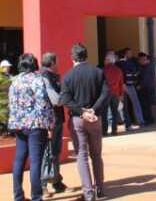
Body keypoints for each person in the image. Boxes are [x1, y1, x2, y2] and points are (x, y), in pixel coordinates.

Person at [61, 44, 109, 201]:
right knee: (96, 155)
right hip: (95, 118)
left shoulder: (68, 76)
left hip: (78, 119)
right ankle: (99, 189)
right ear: (86, 55)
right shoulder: (97, 72)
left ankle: (88, 193)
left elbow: (66, 99)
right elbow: (105, 93)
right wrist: (93, 110)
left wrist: (82, 112)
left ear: (72, 57)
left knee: (82, 155)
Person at [7, 54, 55, 201]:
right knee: (35, 161)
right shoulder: (37, 79)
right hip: (36, 125)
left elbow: (11, 104)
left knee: (19, 160)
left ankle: (18, 196)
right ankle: (36, 196)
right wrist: (50, 124)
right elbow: (43, 104)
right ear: (34, 64)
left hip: (19, 125)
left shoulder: (15, 81)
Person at [40, 53, 67, 195]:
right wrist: (66, 96)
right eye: (57, 61)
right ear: (52, 63)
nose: (58, 64)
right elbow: (56, 100)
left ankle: (56, 181)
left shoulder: (52, 76)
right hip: (51, 119)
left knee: (54, 151)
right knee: (49, 151)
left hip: (55, 118)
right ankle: (43, 184)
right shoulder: (45, 77)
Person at [118, 48, 145, 130]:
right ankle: (140, 121)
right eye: (129, 53)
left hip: (121, 86)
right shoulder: (129, 63)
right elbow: (135, 73)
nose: (131, 54)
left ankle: (123, 122)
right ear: (125, 54)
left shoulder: (117, 63)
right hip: (129, 85)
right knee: (135, 103)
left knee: (123, 105)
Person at [101, 51, 124, 136]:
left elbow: (101, 82)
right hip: (116, 93)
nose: (104, 61)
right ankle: (114, 130)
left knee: (104, 113)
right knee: (114, 112)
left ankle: (104, 131)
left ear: (108, 60)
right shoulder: (118, 70)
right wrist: (121, 94)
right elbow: (121, 83)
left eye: (105, 60)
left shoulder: (104, 70)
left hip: (106, 94)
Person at [137, 52, 156, 126]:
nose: (140, 61)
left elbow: (146, 79)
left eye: (141, 60)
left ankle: (148, 120)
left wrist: (140, 86)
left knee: (146, 105)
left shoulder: (147, 67)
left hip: (146, 89)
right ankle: (150, 119)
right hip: (148, 88)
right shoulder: (148, 66)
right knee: (147, 105)